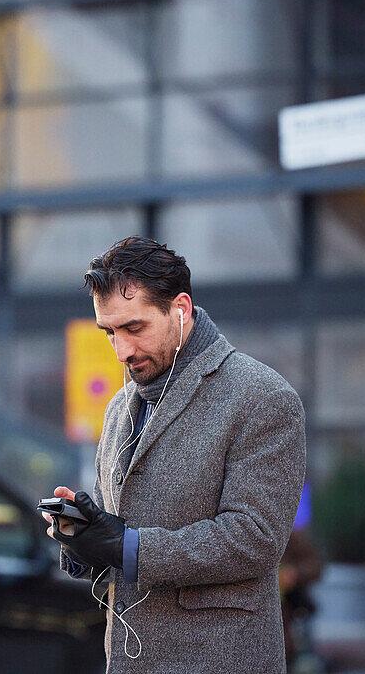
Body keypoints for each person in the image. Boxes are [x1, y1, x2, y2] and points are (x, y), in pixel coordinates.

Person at [41, 236, 306, 673]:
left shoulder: (263, 397)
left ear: (180, 309)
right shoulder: (117, 409)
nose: (122, 351)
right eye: (109, 333)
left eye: (134, 327)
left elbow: (255, 538)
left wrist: (125, 547)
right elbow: (118, 532)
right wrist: (83, 541)